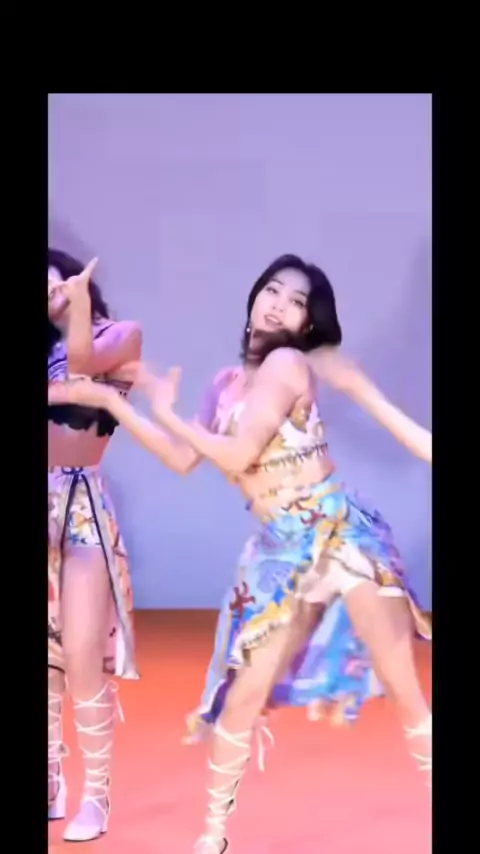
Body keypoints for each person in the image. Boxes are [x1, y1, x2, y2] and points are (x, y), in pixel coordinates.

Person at [49, 254, 432, 854]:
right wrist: (122, 405)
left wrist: (168, 412)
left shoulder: (286, 364)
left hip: (338, 538)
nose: (278, 304)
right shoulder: (227, 383)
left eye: (296, 301)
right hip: (278, 554)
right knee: (242, 701)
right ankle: (213, 835)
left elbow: (238, 453)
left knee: (403, 688)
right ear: (254, 298)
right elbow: (183, 459)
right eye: (272, 290)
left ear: (308, 324)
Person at [47, 248, 142, 843]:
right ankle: (50, 777)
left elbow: (82, 363)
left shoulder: (120, 335)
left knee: (82, 653)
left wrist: (77, 304)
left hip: (80, 503)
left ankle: (97, 794)